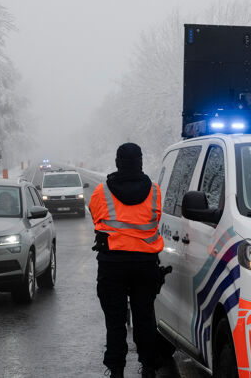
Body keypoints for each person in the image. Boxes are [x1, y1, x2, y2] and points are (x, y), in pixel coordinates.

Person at [88, 143, 165, 378]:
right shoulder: (154, 191)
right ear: (140, 162)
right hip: (145, 264)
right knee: (144, 317)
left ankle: (116, 370)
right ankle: (149, 367)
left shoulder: (101, 191)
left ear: (117, 162)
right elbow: (155, 219)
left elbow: (96, 217)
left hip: (112, 264)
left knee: (115, 320)